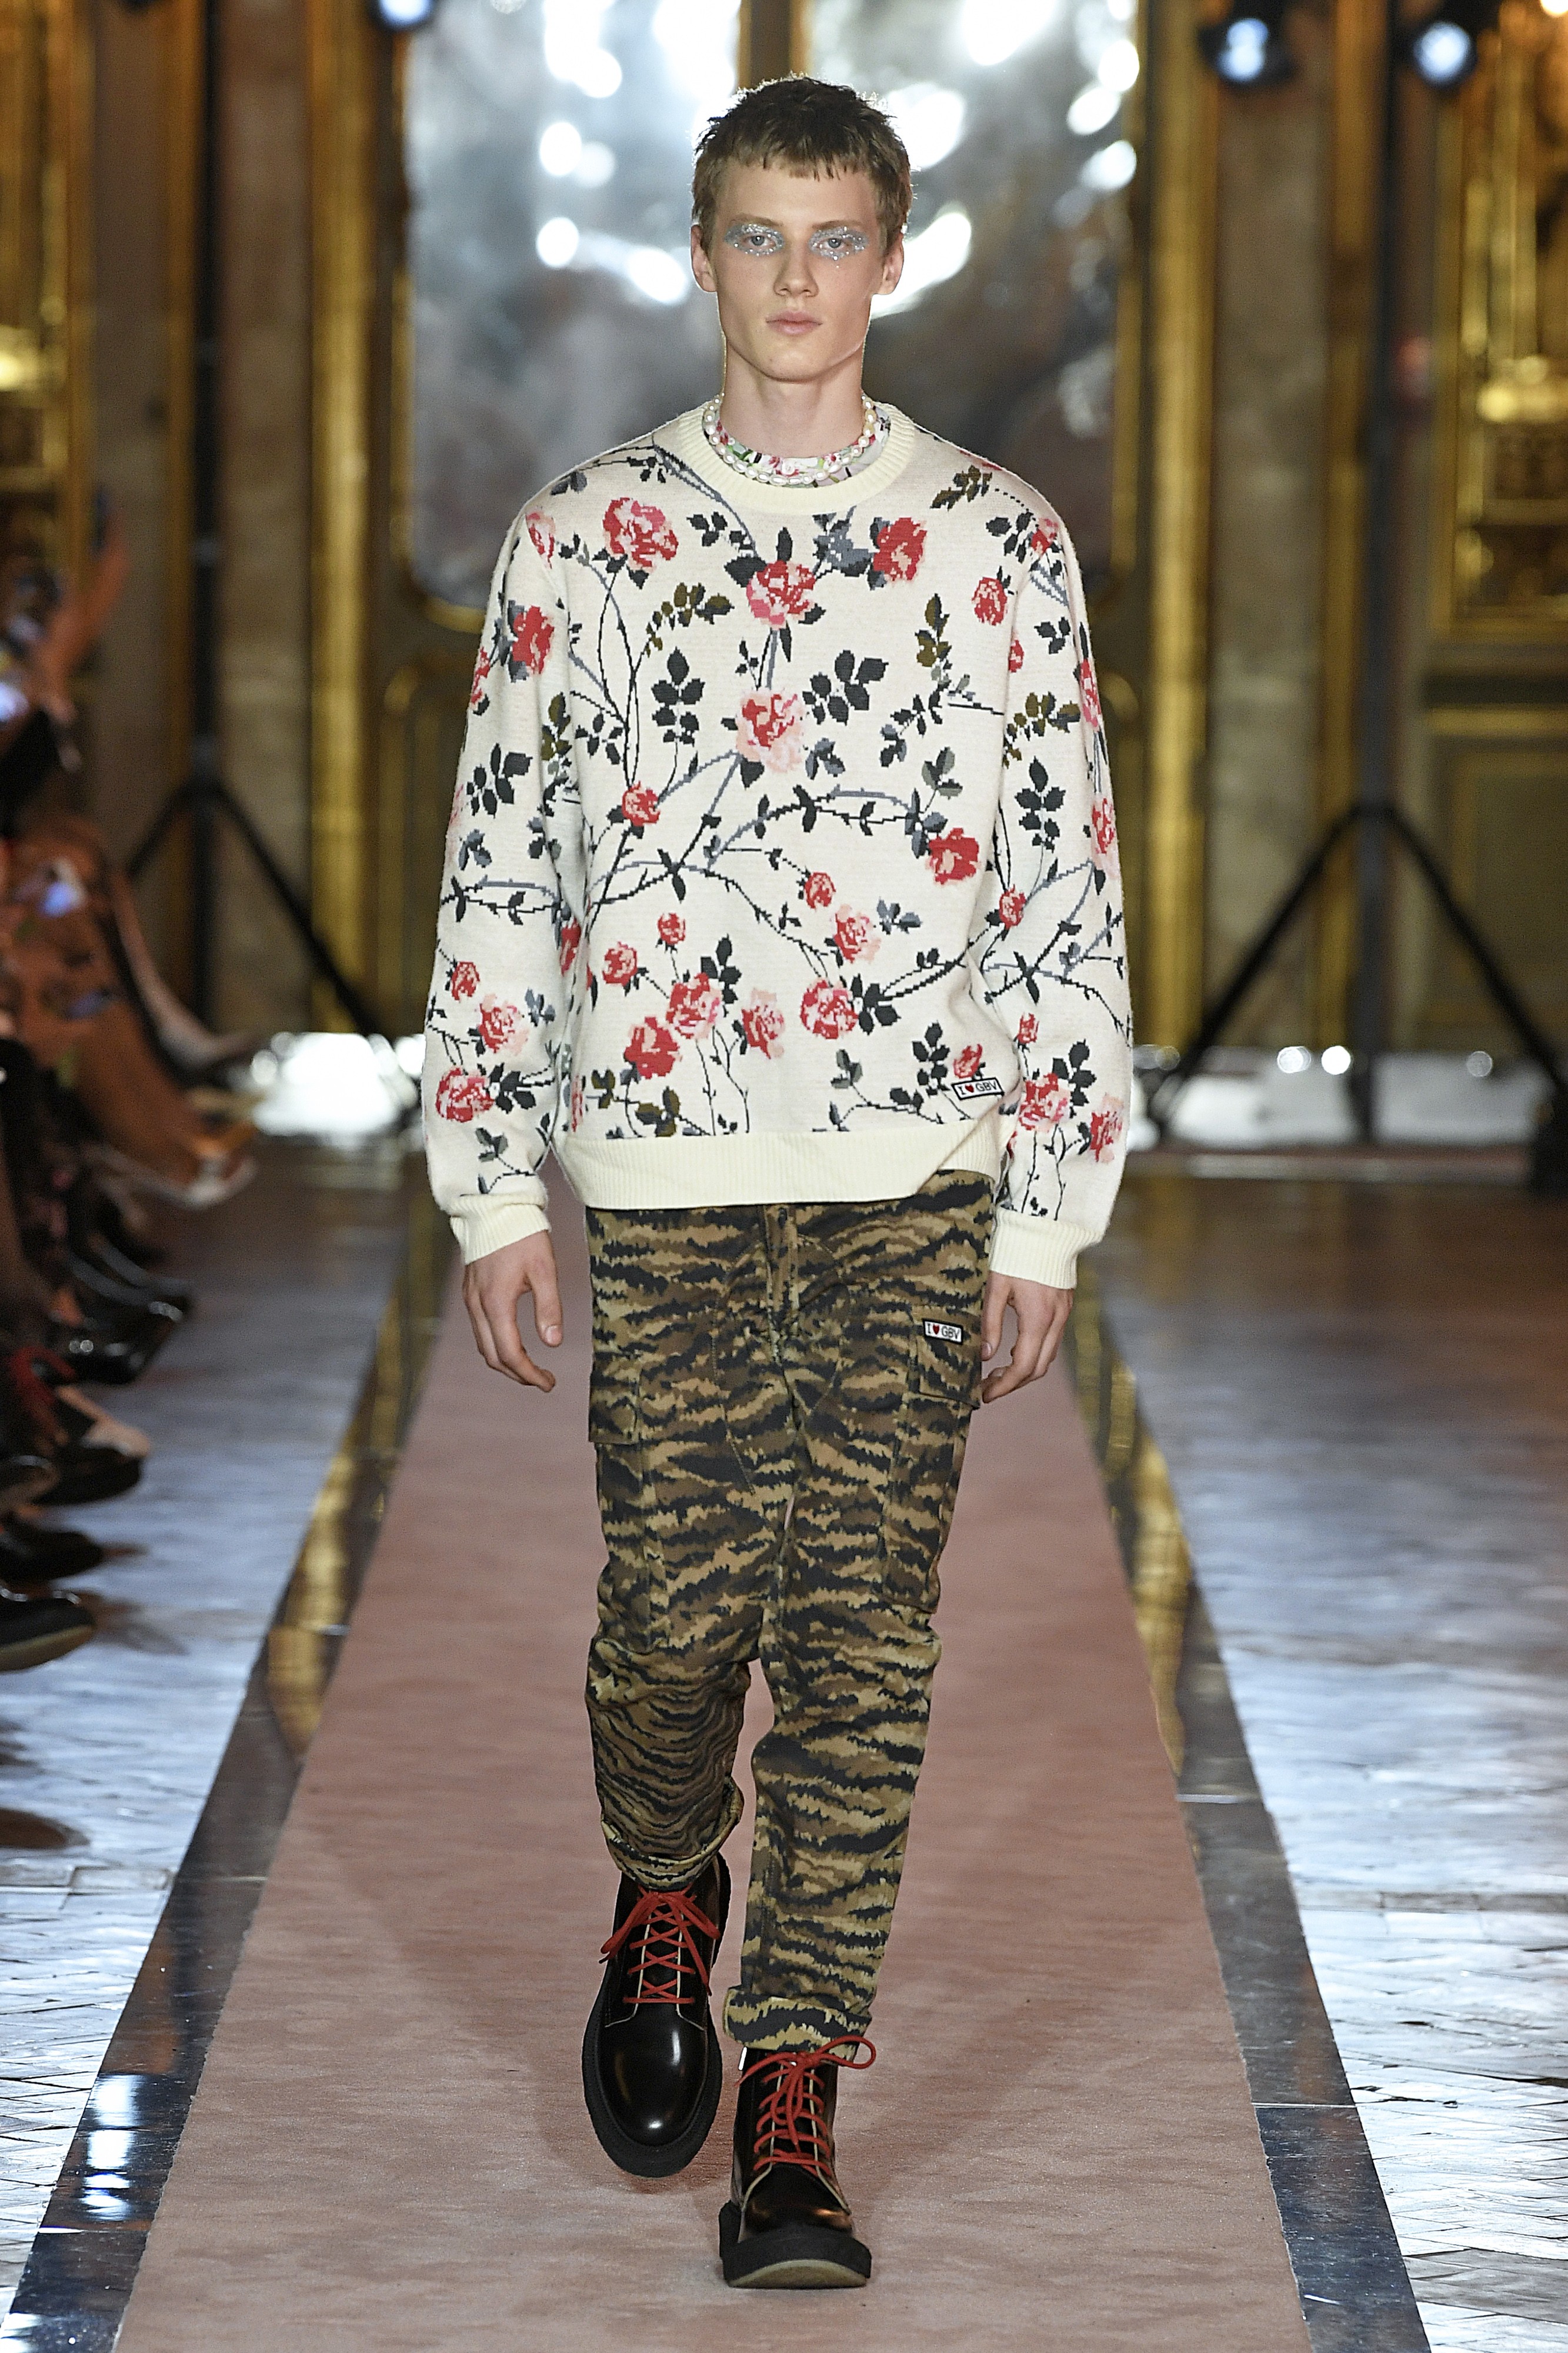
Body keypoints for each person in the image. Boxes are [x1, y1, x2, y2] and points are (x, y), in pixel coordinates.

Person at [424, 75, 1132, 2291]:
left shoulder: (999, 543)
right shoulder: (585, 537)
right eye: (758, 235)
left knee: (859, 1650)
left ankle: (794, 2098)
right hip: (667, 1169)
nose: (797, 278)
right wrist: (490, 1182)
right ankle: (665, 1880)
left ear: (889, 259)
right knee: (670, 1625)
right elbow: (503, 866)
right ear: (701, 254)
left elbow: (1065, 891)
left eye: (834, 238)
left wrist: (1045, 1204)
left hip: (921, 1165)